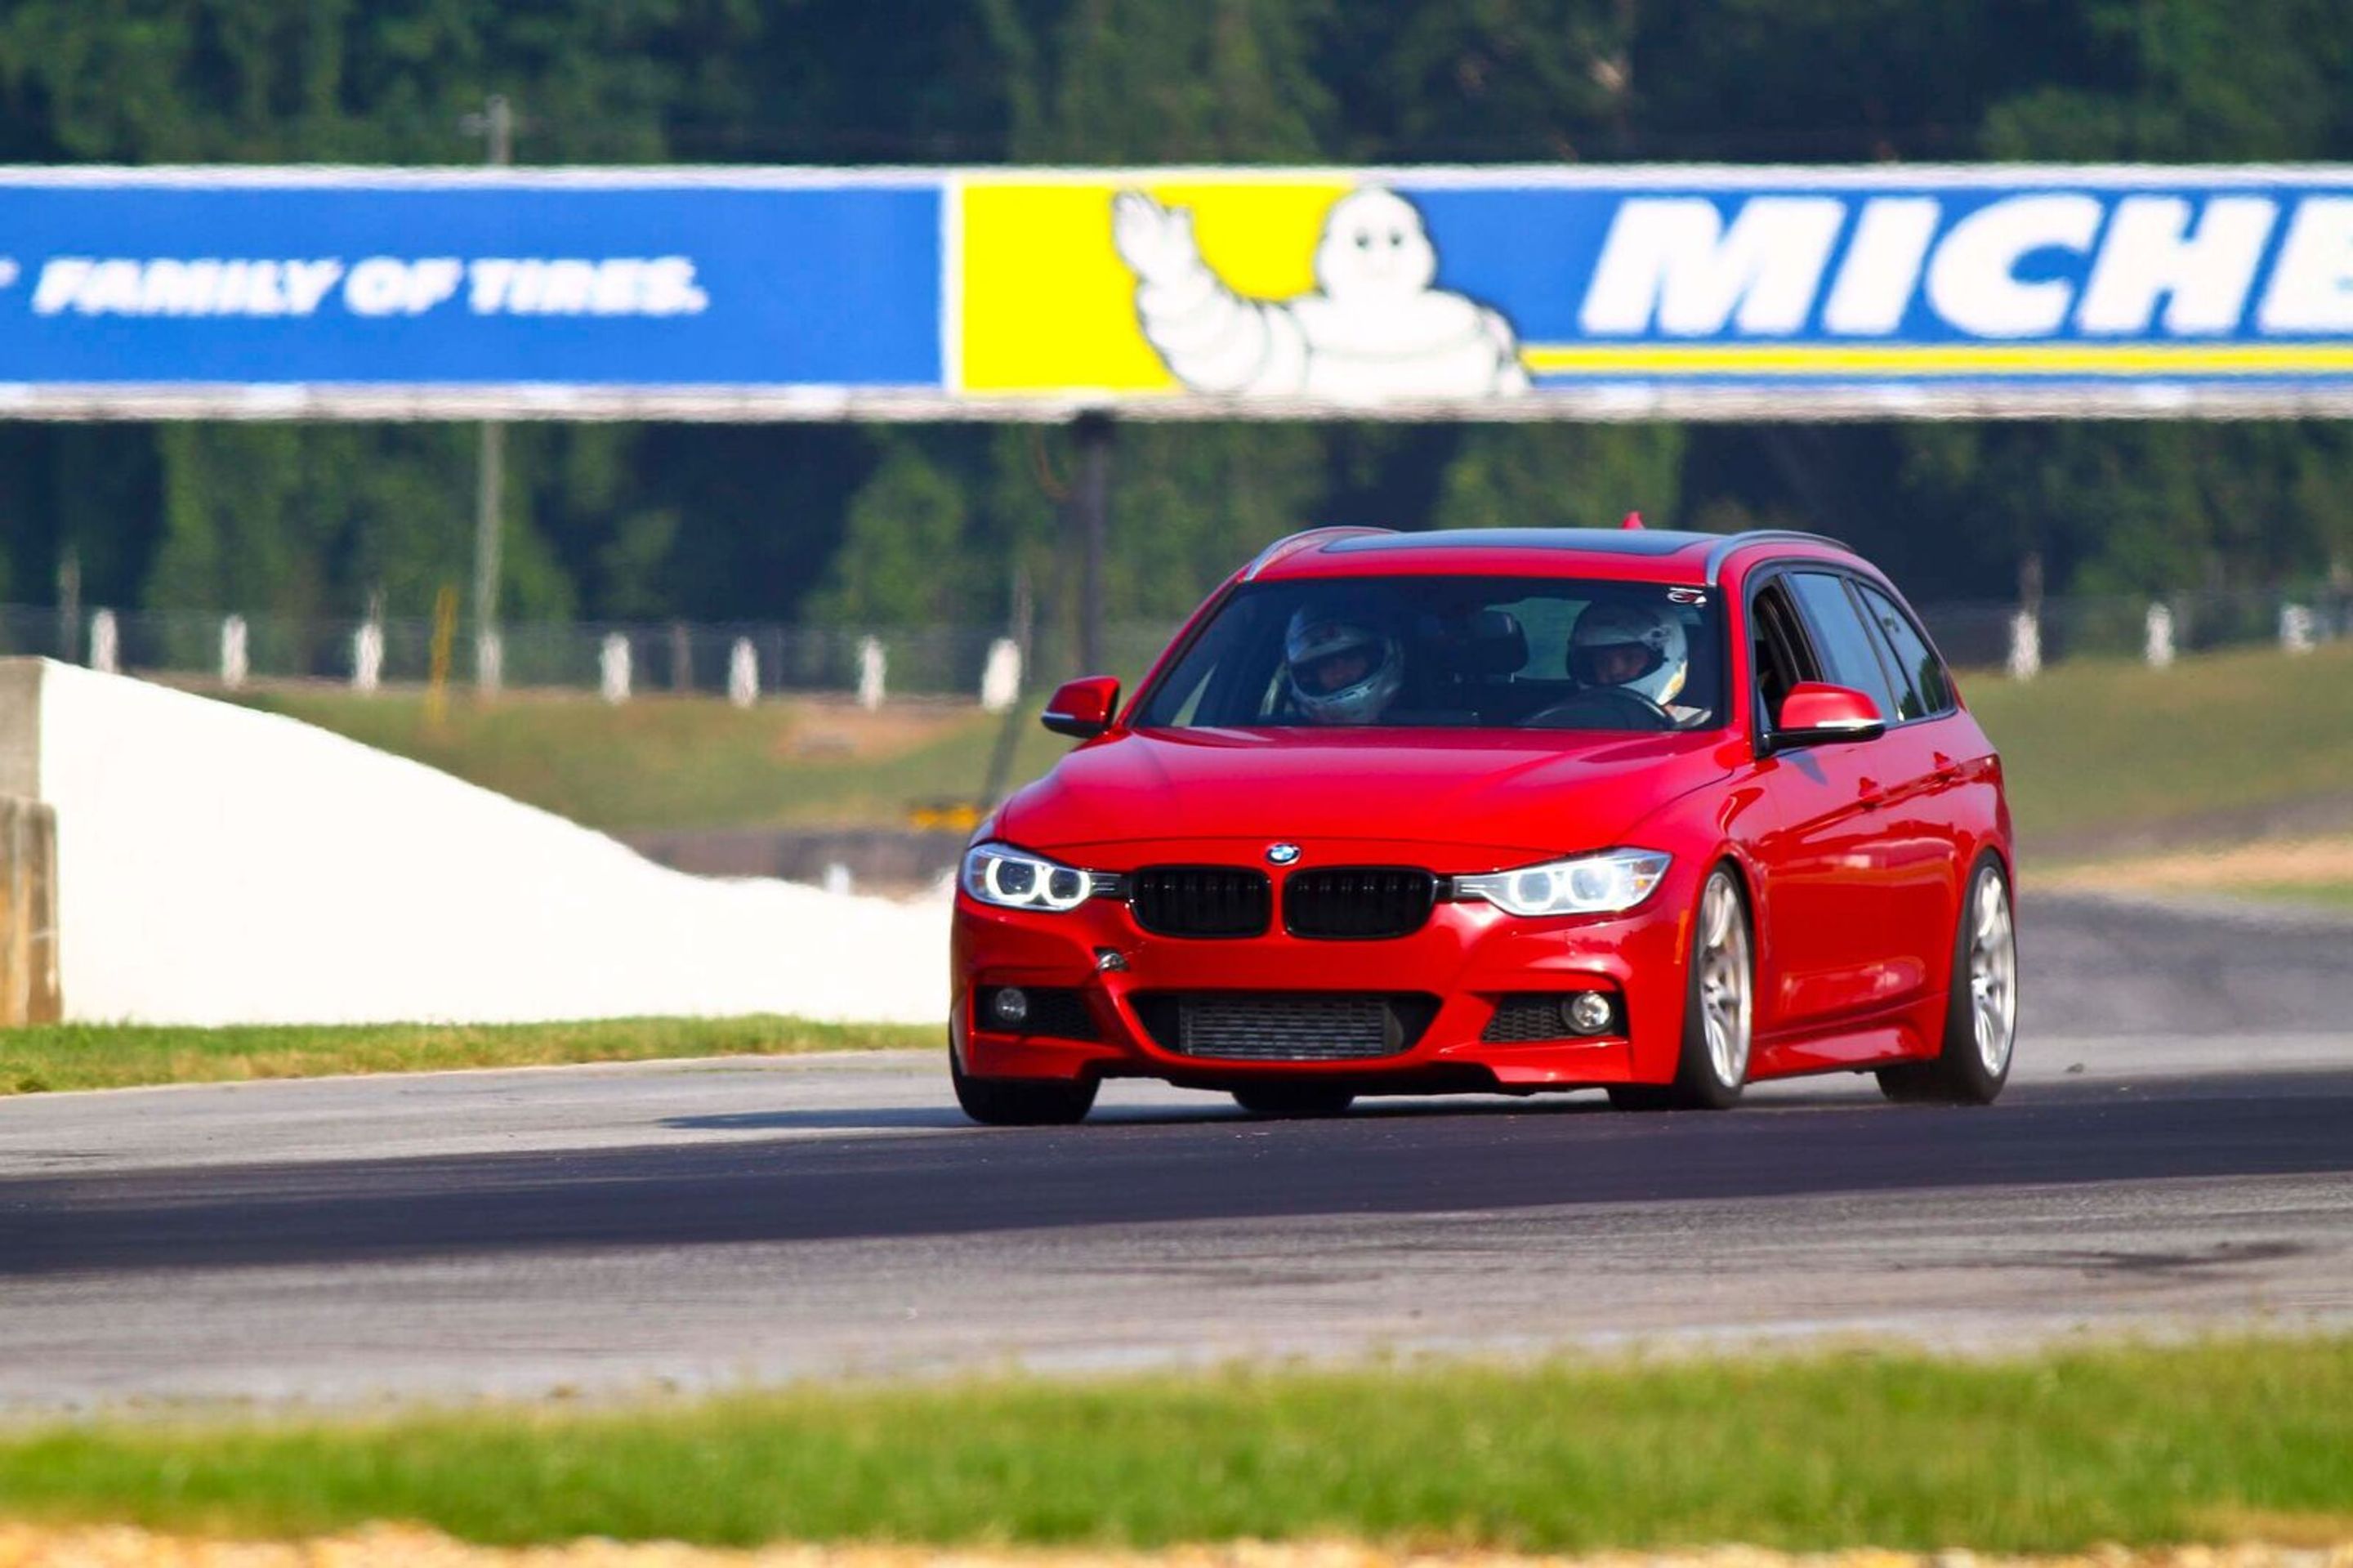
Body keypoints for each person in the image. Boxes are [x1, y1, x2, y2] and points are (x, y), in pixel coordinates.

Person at [1567, 600, 1701, 724]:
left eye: (1630, 658)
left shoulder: (1700, 727)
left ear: (1671, 655)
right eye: (1602, 660)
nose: (1615, 670)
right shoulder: (1570, 723)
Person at [1281, 600, 1405, 725]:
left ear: (1374, 658)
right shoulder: (1295, 738)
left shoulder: (1421, 730)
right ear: (1312, 678)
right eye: (1326, 664)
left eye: (1350, 658)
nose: (1340, 674)